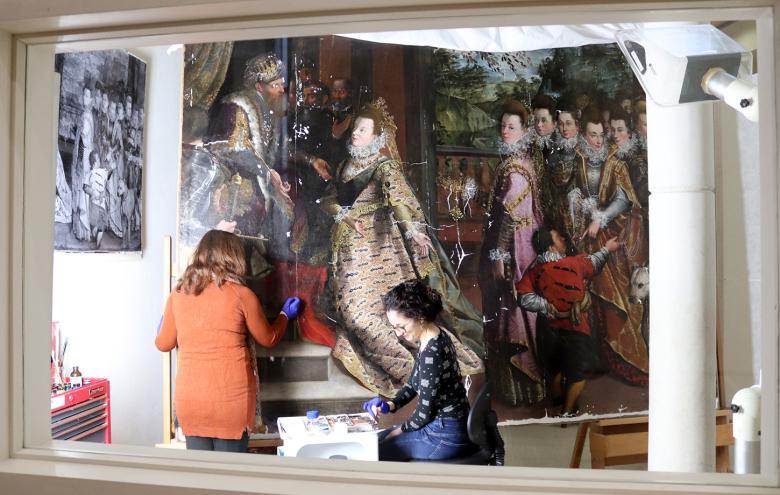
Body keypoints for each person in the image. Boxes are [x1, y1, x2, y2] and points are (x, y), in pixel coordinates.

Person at [321, 98, 483, 396]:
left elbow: (398, 201)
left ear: (377, 137)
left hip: (379, 248)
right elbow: (329, 200)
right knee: (355, 317)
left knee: (390, 316)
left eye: (363, 129)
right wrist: (344, 216)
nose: (356, 133)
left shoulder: (384, 166)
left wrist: (412, 231)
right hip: (348, 249)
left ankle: (421, 374)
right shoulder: (345, 165)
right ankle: (418, 373)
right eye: (355, 128)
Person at [155, 230, 302, 452]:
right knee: (230, 478)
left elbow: (163, 343)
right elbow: (269, 338)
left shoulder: (177, 294)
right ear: (233, 257)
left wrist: (162, 323)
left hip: (191, 401)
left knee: (200, 478)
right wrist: (284, 316)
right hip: (231, 403)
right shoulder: (241, 294)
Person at [567, 106, 648, 384]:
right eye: (593, 136)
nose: (599, 141)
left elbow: (624, 199)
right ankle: (595, 358)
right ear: (584, 135)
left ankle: (621, 357)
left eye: (602, 135)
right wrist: (577, 200)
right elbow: (574, 190)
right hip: (587, 235)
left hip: (614, 233)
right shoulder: (579, 159)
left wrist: (600, 219)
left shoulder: (616, 162)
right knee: (587, 294)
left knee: (611, 293)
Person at [363, 280, 476, 462]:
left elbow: (423, 413)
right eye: (394, 327)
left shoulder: (433, 352)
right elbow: (413, 384)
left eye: (402, 326)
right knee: (377, 440)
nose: (398, 333)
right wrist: (390, 405)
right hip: (444, 425)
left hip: (445, 434)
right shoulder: (431, 337)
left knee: (374, 451)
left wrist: (396, 432)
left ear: (420, 317)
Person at [478, 99, 544, 406]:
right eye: (503, 126)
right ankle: (517, 387)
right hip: (521, 240)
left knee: (513, 307)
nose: (505, 131)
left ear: (525, 131)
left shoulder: (517, 169)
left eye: (512, 127)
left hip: (516, 245)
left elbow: (507, 220)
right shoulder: (518, 160)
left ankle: (520, 386)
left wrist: (500, 259)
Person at [516, 228, 620, 415]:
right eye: (558, 237)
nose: (563, 238)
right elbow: (594, 263)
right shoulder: (574, 263)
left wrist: (545, 306)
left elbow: (524, 298)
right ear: (551, 246)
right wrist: (607, 248)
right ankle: (567, 411)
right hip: (575, 327)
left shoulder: (534, 271)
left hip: (547, 329)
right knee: (578, 373)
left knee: (555, 367)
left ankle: (557, 400)